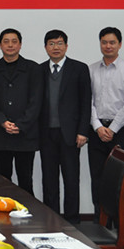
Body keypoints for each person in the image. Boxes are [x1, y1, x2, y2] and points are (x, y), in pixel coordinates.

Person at [39, 29, 91, 224]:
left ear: (66, 46)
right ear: (46, 47)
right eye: (51, 44)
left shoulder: (79, 69)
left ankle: (72, 219)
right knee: (49, 179)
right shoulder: (39, 70)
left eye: (60, 43)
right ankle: (51, 217)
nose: (56, 47)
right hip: (46, 133)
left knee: (71, 178)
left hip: (71, 134)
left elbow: (86, 102)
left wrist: (83, 131)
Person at [0, 28, 42, 195]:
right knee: (1, 182)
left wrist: (21, 124)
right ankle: (2, 212)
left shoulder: (33, 68)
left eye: (14, 41)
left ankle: (27, 210)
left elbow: (36, 101)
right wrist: (2, 122)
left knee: (25, 181)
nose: (10, 45)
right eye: (6, 41)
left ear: (20, 45)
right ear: (0, 45)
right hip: (0, 134)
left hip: (25, 134)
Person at [89, 26, 124, 214]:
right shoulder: (91, 69)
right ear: (100, 44)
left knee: (121, 178)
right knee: (97, 177)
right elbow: (88, 101)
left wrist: (113, 128)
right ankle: (99, 218)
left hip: (121, 131)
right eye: (104, 42)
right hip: (96, 131)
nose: (108, 46)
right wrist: (97, 126)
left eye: (112, 42)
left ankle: (120, 221)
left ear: (120, 44)